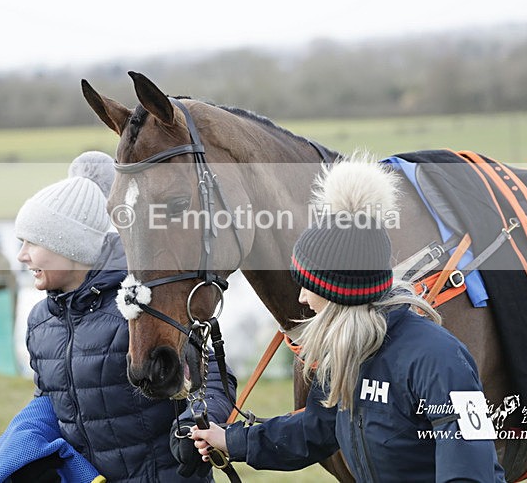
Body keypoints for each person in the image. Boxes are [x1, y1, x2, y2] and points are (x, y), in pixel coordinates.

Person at [191, 156, 506, 482]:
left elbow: (470, 473)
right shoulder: (348, 352)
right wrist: (230, 440)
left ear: (341, 292)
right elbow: (315, 429)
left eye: (309, 286)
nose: (301, 298)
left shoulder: (440, 359)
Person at [0, 152, 236, 483]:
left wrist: (193, 425)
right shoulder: (41, 322)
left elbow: (214, 373)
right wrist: (25, 448)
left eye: (33, 242)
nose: (21, 255)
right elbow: (51, 397)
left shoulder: (139, 308)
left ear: (69, 248)